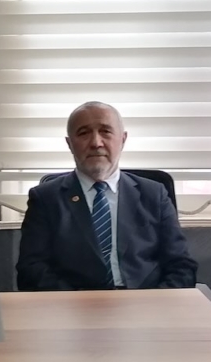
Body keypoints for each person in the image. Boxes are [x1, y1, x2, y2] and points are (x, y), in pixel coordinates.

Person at [16, 101, 196, 291]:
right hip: (74, 303)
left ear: (123, 139)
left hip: (146, 300)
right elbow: (31, 270)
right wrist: (76, 301)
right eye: (83, 133)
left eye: (105, 131)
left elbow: (181, 266)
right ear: (70, 144)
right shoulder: (46, 199)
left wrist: (154, 301)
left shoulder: (154, 194)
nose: (96, 143)